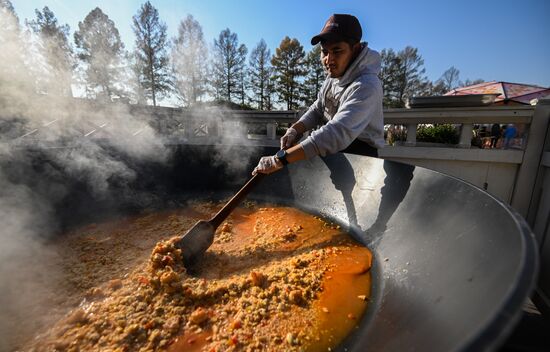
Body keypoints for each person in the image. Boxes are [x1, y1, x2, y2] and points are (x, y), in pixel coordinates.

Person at [253, 14, 384, 175]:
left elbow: (337, 132)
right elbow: (318, 108)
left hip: (362, 159)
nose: (329, 60)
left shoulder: (367, 85)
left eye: (337, 51)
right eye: (324, 52)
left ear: (355, 49)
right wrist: (295, 129)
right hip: (336, 151)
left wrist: (279, 160)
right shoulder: (333, 77)